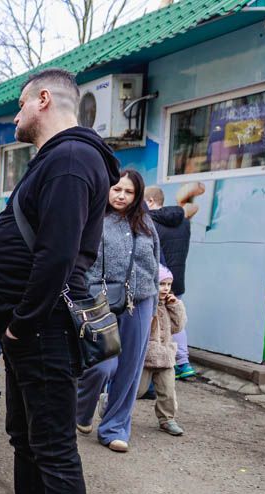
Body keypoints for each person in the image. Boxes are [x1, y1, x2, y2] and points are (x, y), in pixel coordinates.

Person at [0, 68, 120, 494]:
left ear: (44, 99)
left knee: (54, 448)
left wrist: (20, 322)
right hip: (30, 331)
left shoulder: (74, 159)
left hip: (44, 329)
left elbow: (56, 255)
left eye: (20, 105)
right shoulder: (58, 159)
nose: (15, 115)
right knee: (27, 439)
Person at [76, 169, 161, 453]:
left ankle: (114, 428)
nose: (121, 195)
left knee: (130, 370)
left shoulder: (146, 223)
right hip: (100, 301)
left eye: (129, 191)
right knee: (101, 364)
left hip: (141, 301)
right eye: (117, 189)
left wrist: (155, 308)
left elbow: (155, 263)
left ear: (137, 196)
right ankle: (83, 409)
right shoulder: (93, 219)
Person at [146, 182, 205, 380]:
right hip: (175, 280)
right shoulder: (184, 221)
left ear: (151, 201)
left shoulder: (149, 222)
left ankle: (154, 364)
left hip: (156, 278)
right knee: (175, 321)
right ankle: (183, 362)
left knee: (152, 321)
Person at [140, 265, 188, 436]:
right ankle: (110, 403)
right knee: (137, 390)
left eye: (168, 284)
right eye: (162, 284)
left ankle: (167, 419)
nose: (166, 288)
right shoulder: (146, 304)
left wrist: (176, 307)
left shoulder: (168, 305)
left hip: (166, 356)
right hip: (145, 356)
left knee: (167, 391)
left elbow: (177, 327)